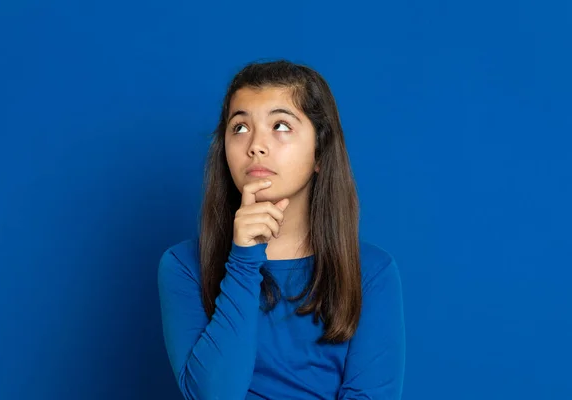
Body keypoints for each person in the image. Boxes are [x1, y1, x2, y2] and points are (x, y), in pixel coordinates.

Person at [157, 60, 406, 399]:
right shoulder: (184, 265)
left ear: (319, 153)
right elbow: (214, 395)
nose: (256, 145)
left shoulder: (372, 272)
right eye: (240, 127)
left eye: (281, 126)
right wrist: (244, 259)